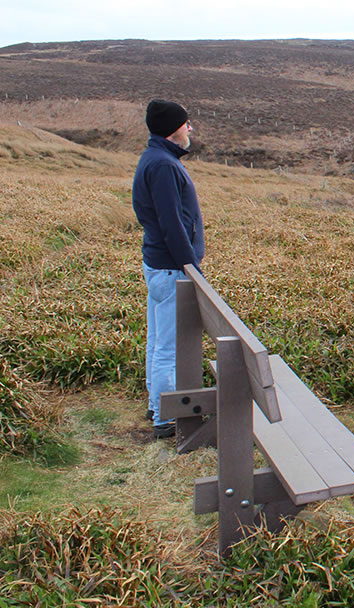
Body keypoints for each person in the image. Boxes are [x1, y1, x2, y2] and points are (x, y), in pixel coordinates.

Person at [132, 100, 204, 439]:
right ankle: (165, 419)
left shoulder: (157, 159)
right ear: (174, 128)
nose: (191, 128)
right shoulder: (163, 165)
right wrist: (190, 267)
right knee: (168, 348)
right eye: (186, 123)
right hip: (172, 269)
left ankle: (155, 404)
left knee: (157, 340)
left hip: (161, 266)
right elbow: (171, 223)